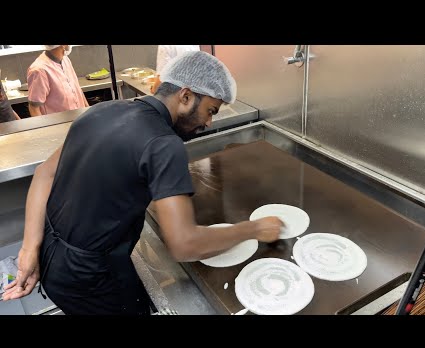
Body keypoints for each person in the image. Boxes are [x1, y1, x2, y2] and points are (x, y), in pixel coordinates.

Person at [2, 51, 283, 315]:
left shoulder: (102, 111)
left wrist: (29, 250)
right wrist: (253, 228)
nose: (209, 123)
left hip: (51, 260)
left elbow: (43, 174)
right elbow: (185, 244)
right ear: (185, 96)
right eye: (211, 110)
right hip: (92, 279)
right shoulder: (165, 145)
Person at [27, 45, 89, 117]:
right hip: (58, 125)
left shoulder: (65, 60)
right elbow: (34, 108)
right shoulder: (39, 70)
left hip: (79, 119)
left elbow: (77, 90)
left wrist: (88, 113)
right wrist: (46, 128)